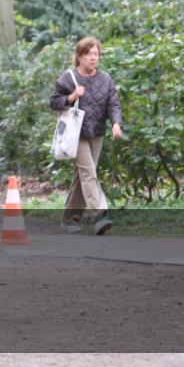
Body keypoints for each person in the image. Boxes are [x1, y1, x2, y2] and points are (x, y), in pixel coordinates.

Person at [49, 36, 123, 235]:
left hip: (97, 133)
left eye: (96, 54)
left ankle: (69, 219)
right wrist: (72, 97)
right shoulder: (68, 78)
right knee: (89, 173)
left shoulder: (105, 79)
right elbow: (54, 102)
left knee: (82, 176)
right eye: (89, 54)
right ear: (79, 56)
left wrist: (116, 123)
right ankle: (100, 215)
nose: (93, 58)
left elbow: (113, 104)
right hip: (76, 133)